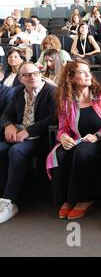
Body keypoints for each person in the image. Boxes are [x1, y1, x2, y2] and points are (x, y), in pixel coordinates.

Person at [46, 60, 101, 220]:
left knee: (81, 151)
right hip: (77, 140)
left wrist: (97, 135)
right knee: (59, 153)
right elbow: (63, 127)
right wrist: (63, 137)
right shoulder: (66, 102)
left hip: (100, 142)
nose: (88, 75)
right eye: (82, 72)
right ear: (71, 78)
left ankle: (85, 199)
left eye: (88, 71)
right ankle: (65, 199)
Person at [0, 62, 56, 223]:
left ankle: (10, 201)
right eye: (27, 75)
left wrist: (29, 131)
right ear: (20, 78)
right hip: (19, 135)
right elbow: (6, 114)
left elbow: (54, 118)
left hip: (41, 137)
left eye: (35, 73)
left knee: (15, 151)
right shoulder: (18, 92)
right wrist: (8, 125)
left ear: (40, 74)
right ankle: (2, 197)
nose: (32, 77)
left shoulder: (51, 91)